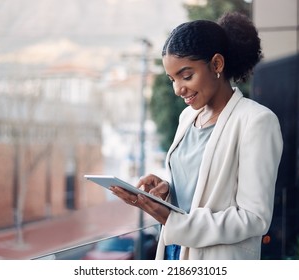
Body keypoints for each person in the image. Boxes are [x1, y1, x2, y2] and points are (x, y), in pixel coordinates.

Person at [111, 12, 283, 260]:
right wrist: (166, 193)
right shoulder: (186, 118)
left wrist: (169, 218)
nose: (178, 89)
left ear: (216, 64)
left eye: (186, 75)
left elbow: (254, 218)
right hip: (174, 253)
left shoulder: (256, 122)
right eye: (172, 79)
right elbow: (198, 194)